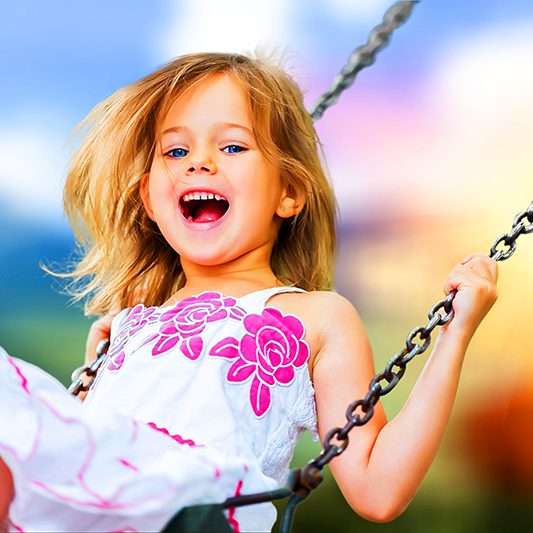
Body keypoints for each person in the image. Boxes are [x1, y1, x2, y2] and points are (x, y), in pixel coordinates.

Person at [0, 51, 499, 533]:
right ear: (149, 199)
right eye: (176, 150)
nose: (200, 163)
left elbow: (377, 490)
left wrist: (454, 334)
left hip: (200, 511)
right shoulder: (128, 325)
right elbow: (71, 465)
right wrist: (96, 379)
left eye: (233, 146)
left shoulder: (315, 317)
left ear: (289, 193)